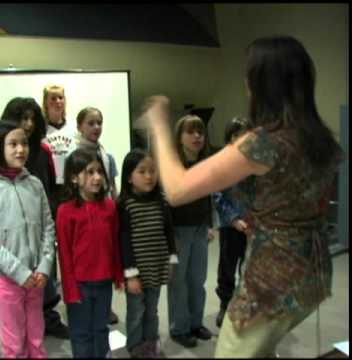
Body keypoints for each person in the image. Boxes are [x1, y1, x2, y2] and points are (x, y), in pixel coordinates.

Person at [140, 35, 343, 358]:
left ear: (263, 83)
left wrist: (159, 126)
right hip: (314, 272)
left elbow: (177, 189)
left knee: (235, 351)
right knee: (262, 347)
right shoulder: (320, 139)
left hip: (272, 279)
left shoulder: (264, 143)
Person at [0, 120, 56, 358]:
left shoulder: (34, 184)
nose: (20, 149)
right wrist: (19, 272)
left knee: (37, 339)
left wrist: (44, 266)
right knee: (14, 344)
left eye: (24, 143)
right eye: (13, 144)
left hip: (37, 277)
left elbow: (48, 228)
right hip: (7, 279)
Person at [1, 97, 69, 339]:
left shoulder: (42, 150)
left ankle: (49, 319)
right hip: (15, 226)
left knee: (46, 274)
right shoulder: (4, 151)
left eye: (32, 118)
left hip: (42, 222)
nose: (28, 124)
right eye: (23, 118)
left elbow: (49, 184)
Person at [56, 148, 124, 358]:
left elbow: (115, 243)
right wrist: (70, 290)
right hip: (80, 286)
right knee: (81, 333)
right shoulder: (65, 211)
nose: (96, 177)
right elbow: (65, 255)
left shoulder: (110, 207)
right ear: (74, 178)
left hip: (103, 282)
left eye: (99, 172)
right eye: (89, 172)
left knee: (101, 328)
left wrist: (118, 275)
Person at [117, 149, 178, 358]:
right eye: (142, 171)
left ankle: (150, 345)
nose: (149, 176)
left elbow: (168, 231)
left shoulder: (161, 201)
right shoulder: (125, 204)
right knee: (136, 312)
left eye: (152, 171)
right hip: (136, 270)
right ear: (129, 177)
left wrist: (172, 259)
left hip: (157, 265)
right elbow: (123, 241)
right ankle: (135, 346)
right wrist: (131, 274)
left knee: (152, 310)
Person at [167, 114, 214, 348]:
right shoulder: (172, 165)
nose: (197, 136)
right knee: (179, 282)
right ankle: (179, 328)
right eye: (191, 132)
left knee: (198, 280)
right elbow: (166, 203)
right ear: (180, 136)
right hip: (178, 231)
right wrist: (169, 238)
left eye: (200, 132)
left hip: (200, 229)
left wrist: (210, 225)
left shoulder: (205, 163)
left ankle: (196, 323)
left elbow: (208, 198)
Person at [212, 116, 250, 328]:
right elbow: (218, 196)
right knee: (227, 268)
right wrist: (234, 219)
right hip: (231, 228)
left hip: (253, 227)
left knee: (250, 268)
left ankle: (245, 306)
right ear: (229, 138)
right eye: (237, 135)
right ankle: (225, 305)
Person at [76, 106, 119, 198]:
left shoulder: (108, 158)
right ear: (79, 127)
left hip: (105, 206)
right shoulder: (73, 158)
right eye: (91, 124)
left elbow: (113, 188)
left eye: (99, 123)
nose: (96, 127)